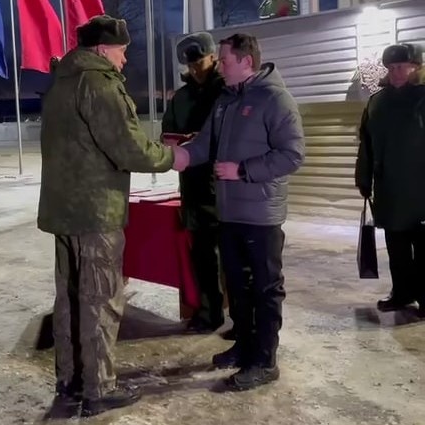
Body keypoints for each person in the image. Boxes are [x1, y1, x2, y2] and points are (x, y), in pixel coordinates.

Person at [37, 15, 181, 417]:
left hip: (63, 210)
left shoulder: (61, 82)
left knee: (70, 300)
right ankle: (99, 388)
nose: (124, 60)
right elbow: (127, 147)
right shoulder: (99, 84)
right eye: (121, 51)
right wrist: (172, 157)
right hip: (95, 212)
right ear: (102, 49)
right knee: (100, 301)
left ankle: (70, 382)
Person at [174, 33, 305, 390]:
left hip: (261, 213)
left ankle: (265, 360)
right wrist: (179, 155)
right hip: (229, 211)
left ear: (246, 61)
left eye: (225, 60)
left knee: (265, 287)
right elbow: (205, 143)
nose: (220, 66)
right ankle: (244, 346)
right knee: (237, 285)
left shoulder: (275, 99)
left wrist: (243, 170)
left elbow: (293, 155)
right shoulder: (227, 100)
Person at [162, 32, 226, 333]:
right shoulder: (181, 98)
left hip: (225, 186)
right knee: (202, 255)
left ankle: (242, 319)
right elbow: (167, 132)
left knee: (233, 258)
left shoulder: (227, 91)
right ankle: (208, 313)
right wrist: (174, 142)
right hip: (192, 185)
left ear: (213, 57)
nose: (196, 69)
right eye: (190, 65)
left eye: (200, 62)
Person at [355, 43, 425, 316]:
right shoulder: (377, 102)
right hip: (389, 189)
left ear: (416, 67)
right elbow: (366, 143)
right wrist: (363, 177)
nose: (396, 72)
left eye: (401, 67)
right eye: (392, 67)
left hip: (420, 189)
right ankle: (402, 293)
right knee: (396, 248)